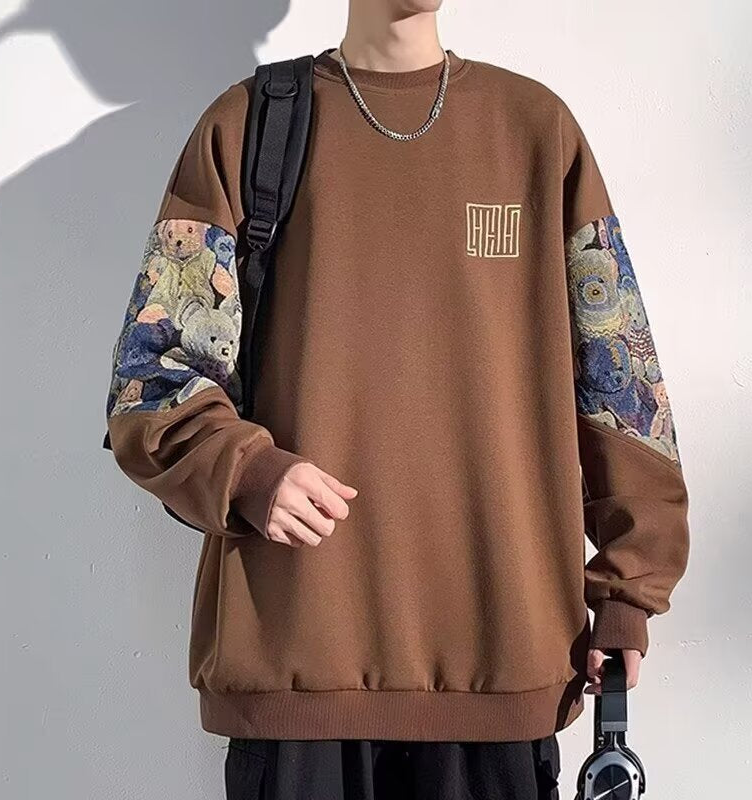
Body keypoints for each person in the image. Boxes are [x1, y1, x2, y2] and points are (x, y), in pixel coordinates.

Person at [105, 1, 690, 797]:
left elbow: (622, 384)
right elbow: (152, 379)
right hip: (298, 669)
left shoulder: (535, 130)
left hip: (501, 667)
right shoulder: (247, 127)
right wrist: (246, 471)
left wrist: (628, 589)